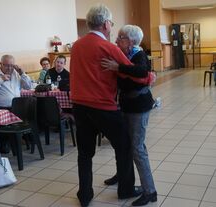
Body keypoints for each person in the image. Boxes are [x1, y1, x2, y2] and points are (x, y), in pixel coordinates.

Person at [70, 5, 141, 207]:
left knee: (85, 153)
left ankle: (85, 194)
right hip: (103, 106)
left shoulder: (76, 45)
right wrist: (147, 76)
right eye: (111, 23)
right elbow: (130, 71)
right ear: (106, 24)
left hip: (79, 105)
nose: (111, 27)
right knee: (124, 146)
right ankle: (125, 189)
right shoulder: (109, 47)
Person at [101, 25, 157, 206]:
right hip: (125, 105)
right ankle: (123, 176)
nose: (116, 41)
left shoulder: (139, 54)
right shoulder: (122, 55)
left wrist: (118, 67)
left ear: (131, 41)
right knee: (124, 145)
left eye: (121, 37)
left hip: (139, 107)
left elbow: (143, 72)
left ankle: (150, 191)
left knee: (137, 148)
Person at [0, 55, 32, 153]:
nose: (10, 68)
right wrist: (0, 79)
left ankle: (24, 139)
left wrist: (22, 73)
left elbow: (28, 86)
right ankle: (6, 142)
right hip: (2, 110)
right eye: (6, 65)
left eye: (12, 65)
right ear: (1, 64)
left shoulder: (16, 73)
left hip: (18, 109)